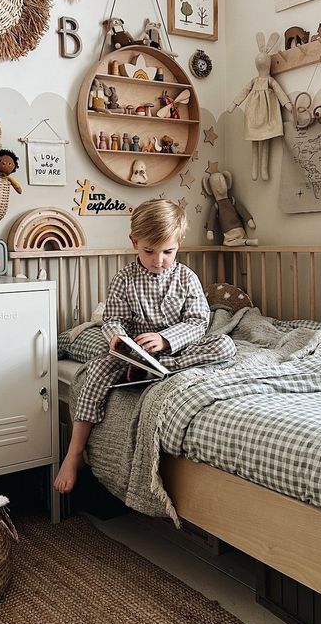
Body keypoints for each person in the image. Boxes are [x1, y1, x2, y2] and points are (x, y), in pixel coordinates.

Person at [54, 199, 236, 493]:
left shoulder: (186, 278)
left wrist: (166, 339)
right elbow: (113, 319)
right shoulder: (125, 279)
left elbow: (198, 322)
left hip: (176, 352)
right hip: (133, 356)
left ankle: (161, 370)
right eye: (149, 251)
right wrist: (117, 337)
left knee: (225, 345)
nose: (158, 259)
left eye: (168, 251)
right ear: (134, 242)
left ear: (179, 244)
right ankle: (74, 453)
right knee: (95, 372)